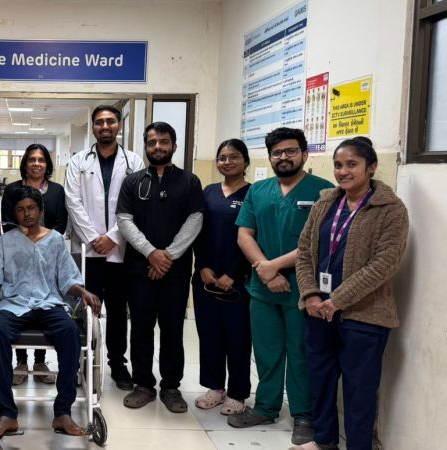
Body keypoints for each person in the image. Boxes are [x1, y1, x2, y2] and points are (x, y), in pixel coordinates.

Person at [292, 137, 409, 450]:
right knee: (321, 381)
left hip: (365, 316)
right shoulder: (325, 204)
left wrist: (339, 300)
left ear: (371, 167)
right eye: (338, 165)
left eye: (352, 164)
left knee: (360, 391)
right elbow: (304, 252)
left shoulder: (391, 210)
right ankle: (324, 441)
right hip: (319, 311)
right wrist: (311, 295)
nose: (343, 171)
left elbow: (385, 264)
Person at [229, 127, 334, 446]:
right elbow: (244, 234)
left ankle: (304, 415)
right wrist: (265, 270)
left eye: (290, 151)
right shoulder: (258, 190)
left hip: (303, 289)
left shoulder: (324, 191)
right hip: (262, 288)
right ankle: (266, 407)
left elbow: (317, 243)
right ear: (269, 157)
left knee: (301, 352)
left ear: (304, 154)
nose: (283, 157)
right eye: (277, 153)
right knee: (266, 350)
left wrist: (273, 266)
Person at [0, 186, 101, 439]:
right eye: (21, 209)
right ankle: (7, 414)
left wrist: (83, 292)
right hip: (14, 303)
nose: (27, 214)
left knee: (69, 332)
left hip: (48, 303)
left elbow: (67, 280)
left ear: (40, 210)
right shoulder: (5, 242)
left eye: (31, 208)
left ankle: (63, 412)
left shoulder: (55, 240)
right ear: (14, 213)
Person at [116, 122, 205, 413]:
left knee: (172, 330)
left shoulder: (190, 181)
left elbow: (195, 220)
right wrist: (150, 253)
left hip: (175, 272)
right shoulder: (132, 182)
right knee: (141, 328)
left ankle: (170, 387)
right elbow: (124, 220)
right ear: (146, 146)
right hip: (139, 270)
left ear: (174, 146)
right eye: (152, 142)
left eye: (163, 141)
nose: (157, 147)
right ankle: (143, 384)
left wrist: (167, 256)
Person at [65, 105, 145, 391]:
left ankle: (117, 364)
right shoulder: (78, 161)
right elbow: (72, 201)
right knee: (86, 308)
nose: (105, 126)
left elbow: (137, 204)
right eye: (99, 122)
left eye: (110, 121)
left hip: (121, 249)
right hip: (89, 251)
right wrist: (93, 237)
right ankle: (82, 360)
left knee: (118, 310)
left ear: (119, 125)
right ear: (93, 127)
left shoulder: (134, 161)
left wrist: (113, 237)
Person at [191, 139, 253, 415]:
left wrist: (233, 273)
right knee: (209, 334)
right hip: (206, 278)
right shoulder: (208, 192)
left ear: (245, 161)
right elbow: (197, 232)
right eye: (222, 157)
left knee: (238, 338)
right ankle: (215, 387)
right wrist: (202, 266)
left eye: (234, 157)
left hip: (238, 281)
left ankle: (238, 393)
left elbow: (253, 236)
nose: (227, 162)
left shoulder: (253, 194)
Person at [0, 143, 68, 385]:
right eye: (32, 159)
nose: (36, 163)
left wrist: (44, 243)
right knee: (19, 302)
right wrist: (27, 241)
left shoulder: (57, 191)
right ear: (25, 163)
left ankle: (40, 361)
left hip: (48, 259)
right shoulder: (12, 190)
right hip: (18, 256)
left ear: (47, 164)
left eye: (41, 159)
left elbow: (61, 222)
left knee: (43, 301)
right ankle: (20, 362)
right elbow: (7, 222)